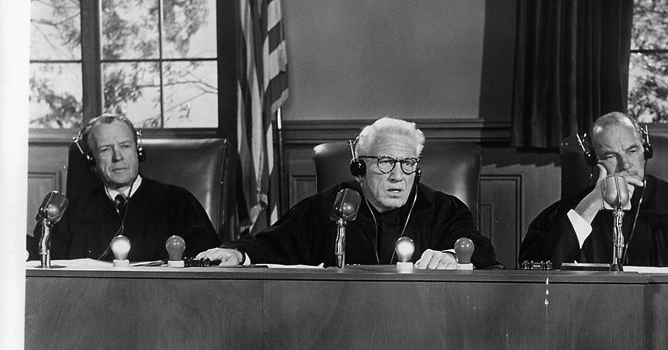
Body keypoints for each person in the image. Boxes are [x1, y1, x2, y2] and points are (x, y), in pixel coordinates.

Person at [197, 117, 499, 269]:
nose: (398, 175)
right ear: (359, 167)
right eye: (385, 162)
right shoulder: (326, 208)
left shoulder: (443, 209)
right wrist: (237, 253)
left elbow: (483, 251)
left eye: (408, 163)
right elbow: (273, 243)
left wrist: (451, 256)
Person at [520, 111, 668, 271]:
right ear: (593, 160)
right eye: (610, 156)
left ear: (646, 150)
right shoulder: (568, 211)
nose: (626, 164)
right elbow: (535, 268)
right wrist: (590, 205)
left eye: (632, 151)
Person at [37, 114, 220, 262]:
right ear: (91, 160)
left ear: (137, 151)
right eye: (105, 149)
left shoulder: (178, 201)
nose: (118, 157)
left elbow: (207, 264)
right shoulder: (71, 212)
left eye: (125, 146)